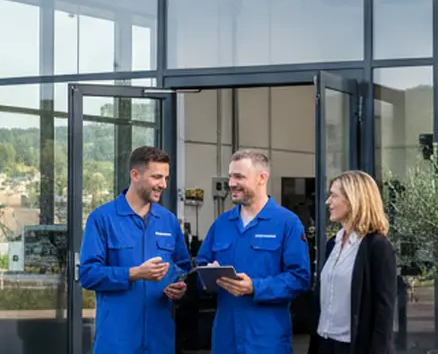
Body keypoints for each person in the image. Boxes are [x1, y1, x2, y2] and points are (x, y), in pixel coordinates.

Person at [195, 149, 312, 354]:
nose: (231, 183)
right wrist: (207, 274)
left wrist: (255, 287)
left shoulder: (287, 223)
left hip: (266, 340)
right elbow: (200, 270)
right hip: (226, 338)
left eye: (239, 176)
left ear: (262, 178)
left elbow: (299, 279)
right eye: (230, 176)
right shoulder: (221, 224)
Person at [78, 146, 192, 354]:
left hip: (159, 341)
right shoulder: (103, 218)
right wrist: (133, 274)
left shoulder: (168, 221)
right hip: (117, 341)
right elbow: (87, 275)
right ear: (135, 175)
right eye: (157, 177)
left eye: (166, 178)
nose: (163, 185)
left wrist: (181, 286)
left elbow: (183, 269)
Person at [307, 170, 397, 354]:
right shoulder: (333, 243)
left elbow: (384, 310)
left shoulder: (377, 246)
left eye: (333, 195)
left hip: (354, 347)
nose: (327, 202)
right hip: (324, 344)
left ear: (353, 200)